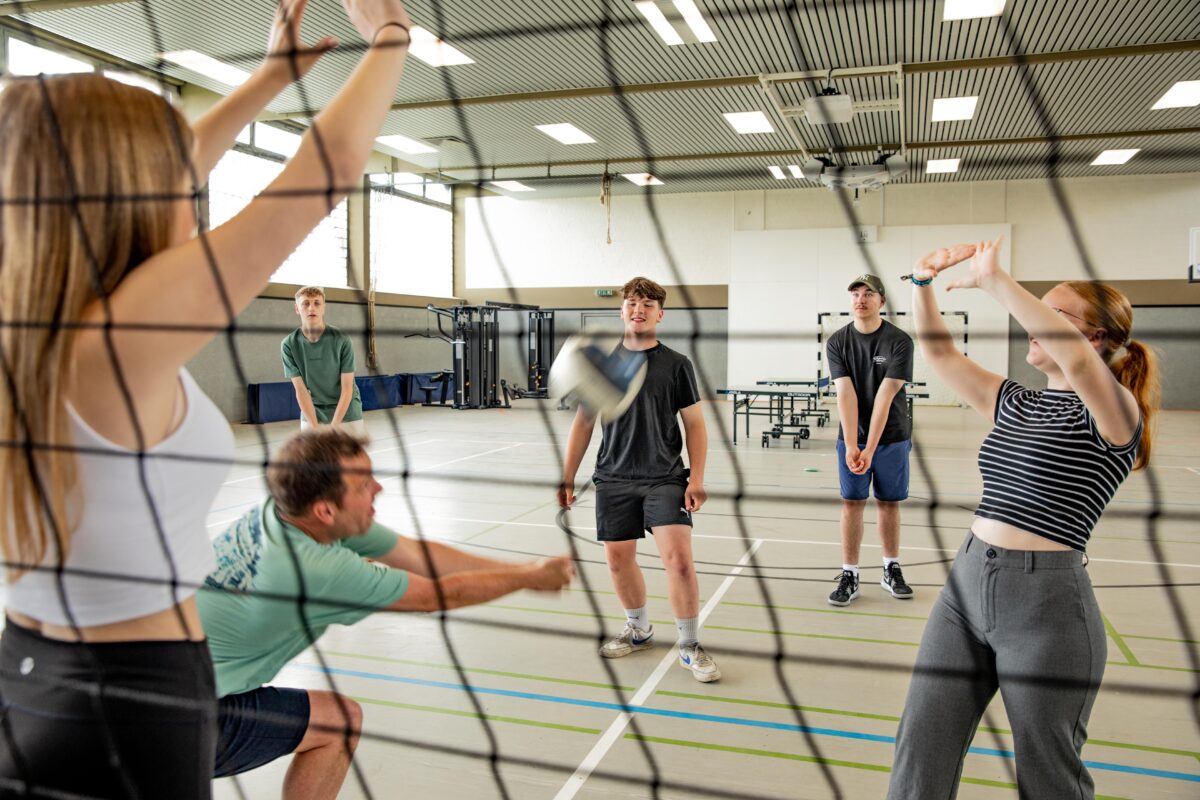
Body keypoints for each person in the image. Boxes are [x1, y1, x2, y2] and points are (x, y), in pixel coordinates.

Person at [0, 0, 415, 795]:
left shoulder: (33, 323)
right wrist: (393, 35)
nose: (186, 188)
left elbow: (164, 167)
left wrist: (268, 80)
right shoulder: (115, 345)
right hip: (131, 700)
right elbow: (313, 182)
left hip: (27, 666)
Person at [888, 236, 1159, 799]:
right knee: (921, 749)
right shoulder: (1017, 401)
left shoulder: (1113, 412)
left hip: (1048, 610)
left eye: (1054, 313)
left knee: (1047, 774)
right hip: (964, 589)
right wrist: (920, 283)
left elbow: (1078, 362)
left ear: (1097, 336)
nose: (1032, 321)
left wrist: (997, 283)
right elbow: (939, 356)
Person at [199, 429, 574, 798]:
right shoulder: (315, 569)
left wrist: (526, 571)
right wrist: (527, 579)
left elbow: (417, 555)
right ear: (325, 509)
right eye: (363, 485)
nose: (377, 488)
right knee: (339, 724)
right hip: (180, 713)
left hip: (170, 675)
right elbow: (435, 596)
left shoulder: (286, 513)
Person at [558, 277, 719, 682]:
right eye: (632, 302)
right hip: (613, 476)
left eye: (648, 303)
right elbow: (583, 423)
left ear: (660, 314)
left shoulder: (677, 364)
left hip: (665, 476)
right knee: (617, 561)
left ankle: (689, 644)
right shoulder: (604, 364)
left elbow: (696, 426)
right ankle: (639, 629)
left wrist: (696, 479)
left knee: (679, 561)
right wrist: (566, 476)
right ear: (622, 310)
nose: (639, 309)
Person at [825, 273, 915, 606]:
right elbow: (844, 393)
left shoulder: (900, 341)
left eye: (868, 294)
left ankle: (891, 568)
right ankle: (850, 573)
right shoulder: (837, 342)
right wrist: (852, 444)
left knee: (889, 503)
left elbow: (887, 393)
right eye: (855, 294)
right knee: (852, 503)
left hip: (891, 437)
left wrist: (870, 447)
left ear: (882, 301)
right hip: (852, 436)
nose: (860, 299)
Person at [283, 286, 364, 435]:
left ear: (323, 308)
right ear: (297, 308)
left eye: (317, 303)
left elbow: (347, 389)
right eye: (305, 303)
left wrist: (333, 428)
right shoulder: (289, 344)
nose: (311, 308)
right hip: (312, 412)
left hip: (347, 412)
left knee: (348, 458)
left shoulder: (341, 339)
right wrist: (315, 429)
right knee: (312, 458)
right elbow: (300, 391)